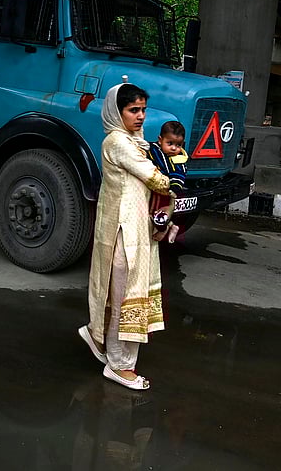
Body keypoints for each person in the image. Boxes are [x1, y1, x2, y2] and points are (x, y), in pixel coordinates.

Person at [78, 82, 171, 390]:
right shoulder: (118, 142)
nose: (141, 116)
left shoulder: (135, 141)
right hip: (124, 234)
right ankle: (119, 366)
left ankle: (99, 337)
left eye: (143, 110)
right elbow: (155, 179)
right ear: (117, 113)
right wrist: (175, 184)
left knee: (123, 295)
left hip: (134, 229)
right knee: (125, 298)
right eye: (134, 110)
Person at [146, 121, 188, 243]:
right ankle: (171, 226)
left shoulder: (178, 160)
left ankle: (163, 229)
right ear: (160, 140)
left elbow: (178, 175)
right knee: (150, 212)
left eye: (178, 145)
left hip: (166, 192)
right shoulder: (154, 148)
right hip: (153, 188)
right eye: (169, 143)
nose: (174, 148)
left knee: (159, 214)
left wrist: (174, 189)